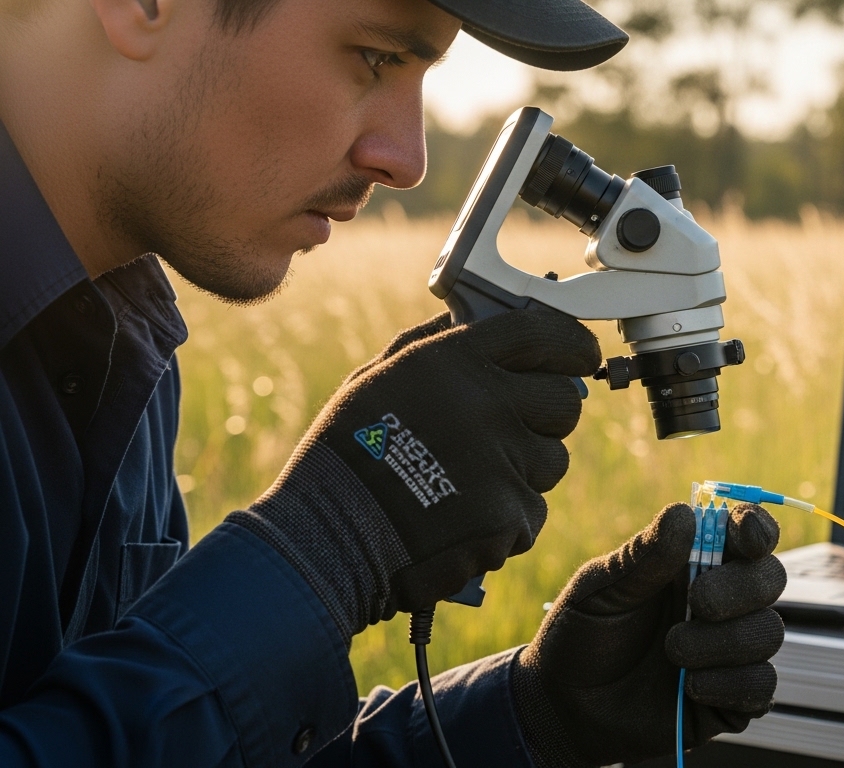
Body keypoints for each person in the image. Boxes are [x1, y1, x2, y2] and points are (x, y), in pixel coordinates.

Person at [0, 0, 787, 765]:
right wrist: (324, 548)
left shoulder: (118, 336)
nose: (405, 161)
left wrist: (530, 716)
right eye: (375, 58)